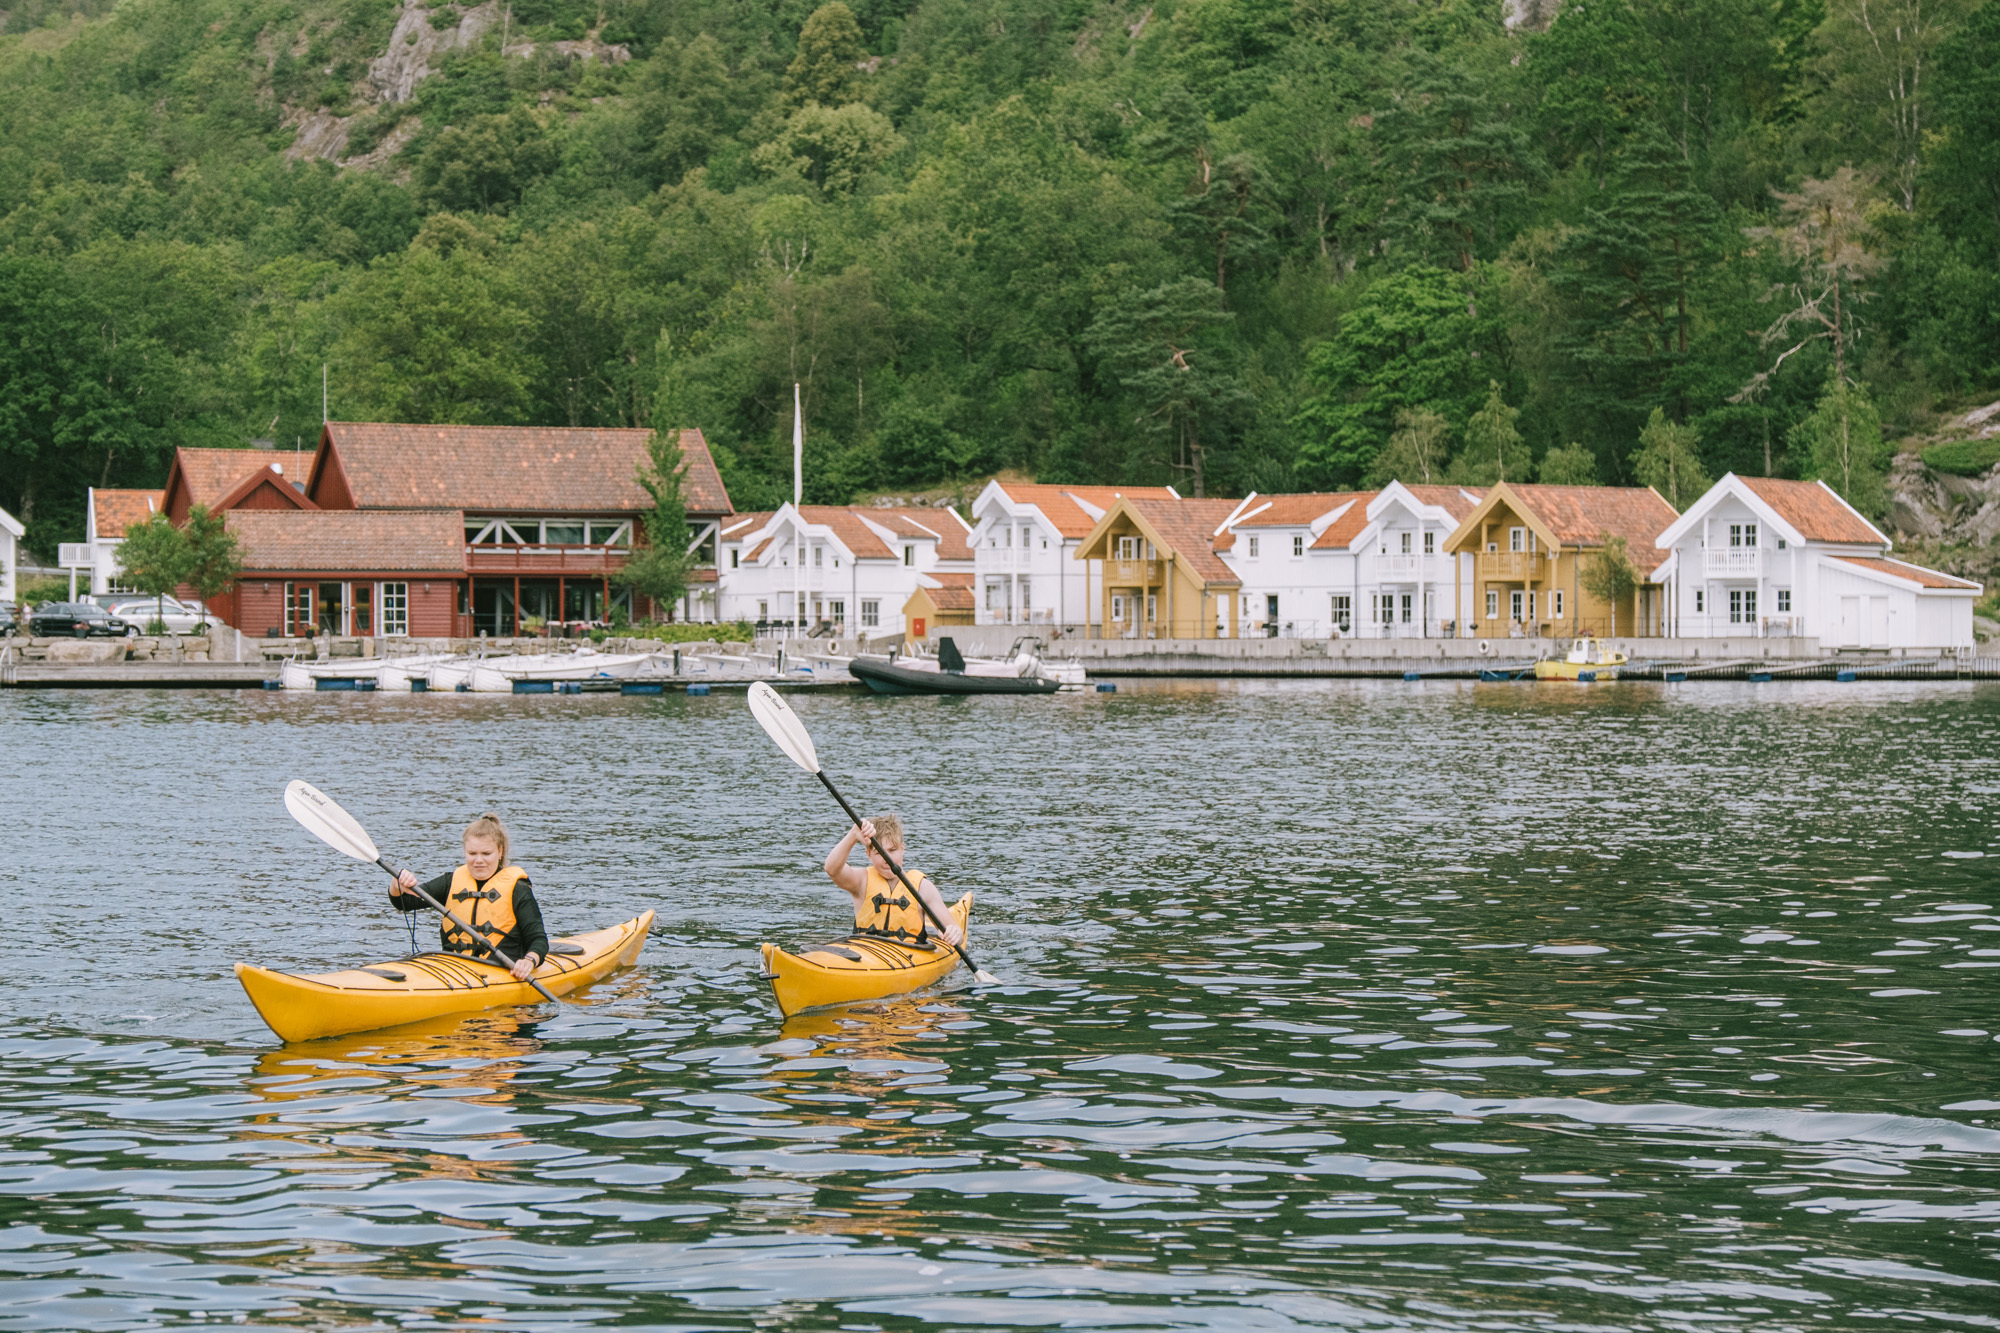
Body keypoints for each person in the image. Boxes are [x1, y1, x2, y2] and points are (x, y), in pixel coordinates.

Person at [391, 812, 549, 980]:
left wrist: (528, 961)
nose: (478, 860)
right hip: (453, 969)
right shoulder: (450, 881)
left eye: (486, 854)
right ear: (465, 852)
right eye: (472, 854)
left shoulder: (518, 889)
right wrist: (397, 884)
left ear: (500, 851)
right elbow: (404, 902)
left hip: (500, 971)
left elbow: (538, 940)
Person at [823, 814, 963, 947]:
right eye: (879, 853)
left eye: (893, 850)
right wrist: (853, 835)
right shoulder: (861, 880)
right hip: (865, 953)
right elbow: (831, 868)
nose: (887, 858)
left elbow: (954, 931)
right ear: (868, 854)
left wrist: (954, 933)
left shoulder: (923, 887)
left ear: (903, 848)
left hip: (909, 956)